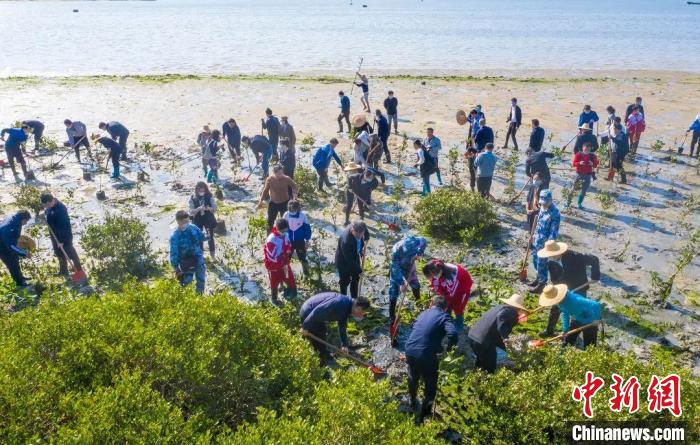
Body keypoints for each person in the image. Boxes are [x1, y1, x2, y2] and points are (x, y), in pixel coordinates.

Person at [404, 295, 459, 423]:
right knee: (431, 384)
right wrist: (448, 349)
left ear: (431, 304)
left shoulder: (423, 314)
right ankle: (424, 414)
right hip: (426, 355)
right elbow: (453, 334)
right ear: (445, 308)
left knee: (413, 375)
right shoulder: (445, 316)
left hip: (410, 349)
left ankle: (412, 400)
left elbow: (415, 327)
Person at [537, 241, 600, 338]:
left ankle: (576, 332)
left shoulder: (575, 256)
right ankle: (550, 331)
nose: (550, 257)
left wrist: (595, 276)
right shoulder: (551, 263)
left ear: (559, 252)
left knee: (579, 312)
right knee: (556, 308)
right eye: (549, 255)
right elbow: (554, 279)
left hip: (579, 287)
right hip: (562, 289)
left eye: (552, 254)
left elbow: (594, 259)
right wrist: (556, 292)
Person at [300, 292, 370, 363]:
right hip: (308, 312)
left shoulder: (348, 306)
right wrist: (305, 327)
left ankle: (323, 353)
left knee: (322, 332)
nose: (361, 315)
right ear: (357, 308)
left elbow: (342, 326)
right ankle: (319, 359)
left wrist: (344, 345)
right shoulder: (339, 303)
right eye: (362, 312)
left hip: (316, 316)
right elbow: (317, 311)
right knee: (318, 336)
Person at [468, 294, 528, 373]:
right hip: (483, 340)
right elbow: (501, 318)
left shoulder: (499, 307)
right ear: (519, 308)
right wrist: (505, 338)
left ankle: (475, 378)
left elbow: (496, 332)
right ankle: (486, 380)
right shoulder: (510, 310)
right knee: (490, 365)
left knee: (481, 360)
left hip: (473, 336)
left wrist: (506, 348)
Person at [538, 284, 601, 349]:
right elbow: (565, 314)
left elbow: (596, 304)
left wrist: (596, 319)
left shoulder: (575, 300)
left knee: (590, 346)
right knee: (567, 341)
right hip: (576, 319)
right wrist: (565, 330)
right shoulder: (560, 303)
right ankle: (562, 355)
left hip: (590, 322)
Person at [388, 235, 428, 327]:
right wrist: (402, 283)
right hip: (398, 268)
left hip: (410, 266)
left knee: (416, 285)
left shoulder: (416, 240)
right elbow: (395, 269)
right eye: (408, 253)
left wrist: (419, 253)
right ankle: (392, 315)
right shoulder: (396, 251)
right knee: (394, 290)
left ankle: (418, 302)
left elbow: (424, 241)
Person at [423, 259, 473, 331]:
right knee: (447, 304)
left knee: (457, 306)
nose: (432, 278)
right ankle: (447, 317)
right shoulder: (434, 267)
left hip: (462, 286)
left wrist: (442, 302)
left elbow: (451, 295)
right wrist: (435, 289)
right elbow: (435, 282)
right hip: (448, 283)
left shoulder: (452, 276)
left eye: (433, 276)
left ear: (439, 272)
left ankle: (459, 324)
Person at [41, 193, 83, 277]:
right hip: (54, 235)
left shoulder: (60, 210)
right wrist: (44, 215)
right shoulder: (50, 206)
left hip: (64, 236)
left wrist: (62, 241)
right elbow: (48, 213)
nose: (45, 207)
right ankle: (63, 271)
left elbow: (64, 227)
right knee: (59, 253)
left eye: (46, 205)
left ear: (50, 202)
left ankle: (79, 271)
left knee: (70, 252)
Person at [527, 189, 561, 293]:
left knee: (542, 263)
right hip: (537, 239)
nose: (544, 204)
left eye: (546, 202)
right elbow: (537, 223)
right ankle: (538, 278)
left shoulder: (555, 213)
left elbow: (554, 232)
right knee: (535, 260)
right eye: (542, 202)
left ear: (550, 200)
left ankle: (542, 284)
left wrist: (549, 245)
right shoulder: (542, 207)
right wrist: (532, 236)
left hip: (545, 243)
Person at [169, 210, 206, 294]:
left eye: (188, 220)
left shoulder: (193, 227)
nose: (187, 223)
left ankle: (199, 298)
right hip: (186, 263)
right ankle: (186, 300)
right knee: (186, 284)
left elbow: (202, 237)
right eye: (185, 222)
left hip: (198, 259)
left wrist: (207, 235)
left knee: (201, 280)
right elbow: (174, 253)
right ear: (178, 222)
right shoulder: (175, 236)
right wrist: (176, 268)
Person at [264, 218, 297, 304]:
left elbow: (288, 243)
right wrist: (281, 259)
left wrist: (289, 250)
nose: (284, 233)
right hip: (273, 266)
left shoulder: (285, 235)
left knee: (288, 277)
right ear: (277, 229)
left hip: (284, 262)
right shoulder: (271, 240)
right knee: (274, 282)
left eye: (286, 231)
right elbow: (271, 257)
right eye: (282, 231)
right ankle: (274, 299)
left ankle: (290, 293)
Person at [335, 220, 369, 299]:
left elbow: (366, 231)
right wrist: (359, 270)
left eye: (361, 234)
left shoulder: (361, 227)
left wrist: (366, 237)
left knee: (355, 278)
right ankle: (343, 298)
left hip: (354, 255)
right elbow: (350, 260)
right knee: (345, 281)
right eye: (358, 235)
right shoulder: (346, 241)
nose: (360, 237)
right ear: (353, 230)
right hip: (343, 261)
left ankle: (354, 299)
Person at [258, 164, 298, 231]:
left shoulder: (286, 178)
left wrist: (295, 196)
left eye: (282, 173)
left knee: (285, 222)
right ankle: (269, 238)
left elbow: (294, 186)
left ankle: (285, 238)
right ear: (274, 173)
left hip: (285, 203)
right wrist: (260, 201)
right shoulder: (270, 179)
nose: (281, 175)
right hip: (273, 203)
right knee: (270, 222)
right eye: (279, 173)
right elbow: (265, 190)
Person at [0, 210, 32, 288]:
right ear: (23, 219)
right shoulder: (8, 227)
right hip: (2, 248)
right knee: (12, 264)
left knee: (15, 260)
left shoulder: (16, 220)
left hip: (7, 243)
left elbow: (14, 239)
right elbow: (11, 246)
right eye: (26, 221)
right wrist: (24, 253)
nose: (26, 223)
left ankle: (21, 277)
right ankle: (19, 283)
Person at [188, 182, 218, 260]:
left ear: (205, 189)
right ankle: (201, 255)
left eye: (203, 190)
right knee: (199, 237)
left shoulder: (209, 196)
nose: (201, 192)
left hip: (208, 219)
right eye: (200, 191)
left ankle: (213, 255)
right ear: (197, 190)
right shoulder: (192, 198)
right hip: (197, 220)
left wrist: (208, 208)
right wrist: (198, 209)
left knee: (210, 237)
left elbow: (214, 208)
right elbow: (191, 212)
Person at [283, 200, 312, 276]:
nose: (292, 211)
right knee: (286, 259)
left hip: (300, 241)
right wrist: (282, 239)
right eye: (290, 209)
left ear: (298, 208)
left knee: (302, 258)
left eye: (294, 209)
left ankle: (307, 274)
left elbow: (307, 228)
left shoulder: (303, 216)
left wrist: (307, 240)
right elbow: (282, 227)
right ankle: (285, 275)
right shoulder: (286, 214)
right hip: (289, 241)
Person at [571, 142, 599, 210]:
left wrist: (592, 163)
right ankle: (568, 203)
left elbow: (596, 165)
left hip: (588, 176)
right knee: (573, 189)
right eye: (585, 148)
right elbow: (573, 164)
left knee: (584, 191)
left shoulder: (593, 156)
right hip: (579, 175)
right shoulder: (578, 154)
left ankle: (579, 204)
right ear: (583, 148)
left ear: (590, 149)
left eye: (588, 149)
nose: (587, 150)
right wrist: (579, 163)